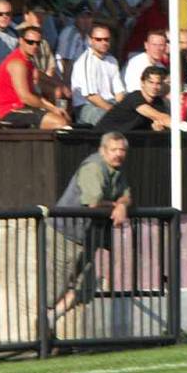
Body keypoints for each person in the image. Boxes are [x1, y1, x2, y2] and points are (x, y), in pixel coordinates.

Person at [48, 131, 131, 330]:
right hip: (65, 233)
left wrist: (122, 205)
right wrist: (116, 206)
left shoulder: (117, 172)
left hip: (86, 237)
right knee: (55, 285)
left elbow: (127, 196)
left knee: (83, 285)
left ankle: (50, 319)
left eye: (122, 150)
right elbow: (93, 202)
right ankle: (41, 328)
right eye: (113, 150)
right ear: (102, 150)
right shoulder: (94, 167)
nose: (118, 154)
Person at [0, 26, 70, 129]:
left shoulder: (27, 62)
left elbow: (34, 94)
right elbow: (26, 97)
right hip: (11, 112)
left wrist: (54, 108)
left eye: (38, 43)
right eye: (30, 42)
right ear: (21, 41)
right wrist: (51, 109)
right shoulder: (18, 63)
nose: (34, 46)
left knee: (63, 118)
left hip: (22, 108)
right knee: (59, 123)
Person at [71, 24, 125, 126]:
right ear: (90, 40)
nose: (103, 42)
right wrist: (115, 111)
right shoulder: (85, 61)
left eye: (106, 39)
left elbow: (119, 93)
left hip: (110, 103)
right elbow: (91, 96)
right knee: (109, 119)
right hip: (87, 106)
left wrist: (123, 109)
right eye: (98, 39)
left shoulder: (112, 60)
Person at [96, 65, 179, 132]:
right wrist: (186, 127)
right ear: (142, 83)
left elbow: (161, 124)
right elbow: (160, 117)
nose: (154, 87)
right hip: (101, 139)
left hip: (129, 142)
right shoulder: (134, 97)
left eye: (158, 83)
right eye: (151, 82)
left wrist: (159, 130)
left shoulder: (158, 102)